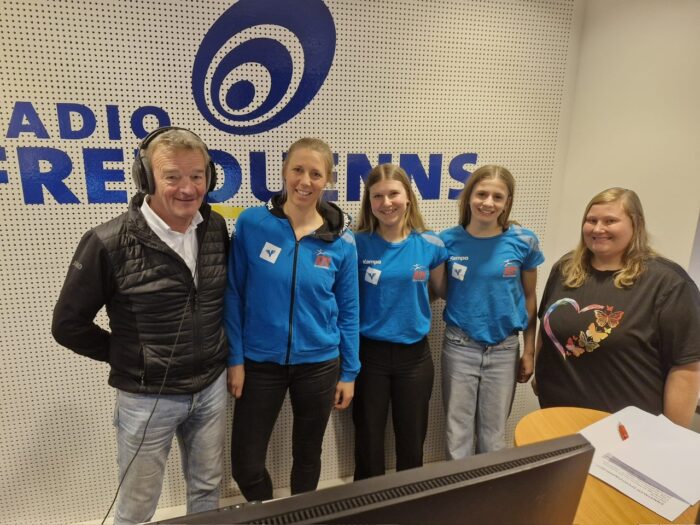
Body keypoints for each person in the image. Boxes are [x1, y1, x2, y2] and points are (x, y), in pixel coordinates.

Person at [51, 127, 229, 525]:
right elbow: (67, 324)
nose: (188, 188)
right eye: (172, 177)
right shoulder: (107, 241)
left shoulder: (214, 228)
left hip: (210, 387)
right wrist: (130, 356)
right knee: (137, 508)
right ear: (146, 178)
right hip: (147, 397)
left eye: (197, 176)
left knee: (207, 489)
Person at [224, 137, 359, 501]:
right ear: (284, 171)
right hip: (259, 362)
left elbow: (349, 311)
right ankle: (269, 514)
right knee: (246, 466)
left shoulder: (342, 241)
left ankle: (301, 515)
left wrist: (349, 372)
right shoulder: (252, 223)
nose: (305, 180)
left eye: (316, 173)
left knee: (308, 457)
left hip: (319, 363)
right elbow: (233, 293)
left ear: (327, 180)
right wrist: (235, 359)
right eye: (298, 169)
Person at [534, 187, 700, 427]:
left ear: (636, 224)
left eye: (610, 221)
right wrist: (539, 374)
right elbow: (546, 326)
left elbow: (687, 366)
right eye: (592, 220)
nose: (598, 228)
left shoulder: (668, 283)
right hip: (556, 415)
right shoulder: (566, 269)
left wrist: (670, 435)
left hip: (627, 429)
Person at [437, 165, 544, 459]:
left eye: (498, 197)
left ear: (507, 202)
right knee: (457, 433)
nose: (488, 202)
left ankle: (490, 487)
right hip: (460, 346)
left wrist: (529, 351)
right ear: (468, 196)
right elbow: (442, 290)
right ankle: (458, 488)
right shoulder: (446, 241)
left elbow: (530, 297)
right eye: (481, 194)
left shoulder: (524, 241)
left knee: (493, 435)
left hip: (505, 349)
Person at [352, 163, 448, 480]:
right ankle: (369, 503)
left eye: (393, 194)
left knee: (411, 442)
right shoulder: (356, 243)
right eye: (377, 196)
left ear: (408, 197)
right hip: (369, 356)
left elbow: (439, 291)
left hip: (415, 357)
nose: (386, 202)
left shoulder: (431, 244)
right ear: (369, 201)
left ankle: (410, 501)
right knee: (368, 442)